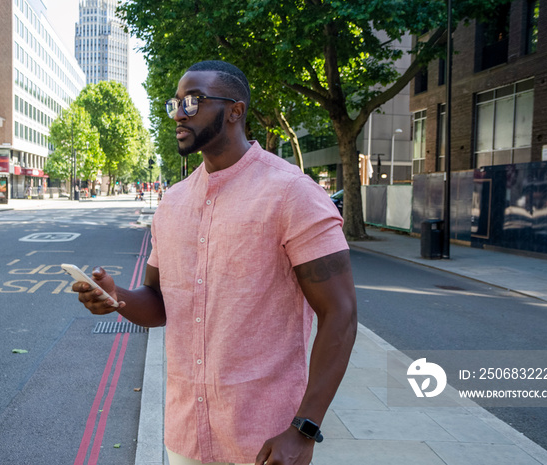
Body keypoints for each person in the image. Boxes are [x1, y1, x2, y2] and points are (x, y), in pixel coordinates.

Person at [74, 60, 357, 465]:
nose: (179, 113)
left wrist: (304, 429)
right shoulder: (171, 204)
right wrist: (116, 297)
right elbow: (158, 303)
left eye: (193, 101)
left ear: (235, 111)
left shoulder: (294, 194)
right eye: (174, 103)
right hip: (186, 436)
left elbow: (341, 314)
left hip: (264, 441)